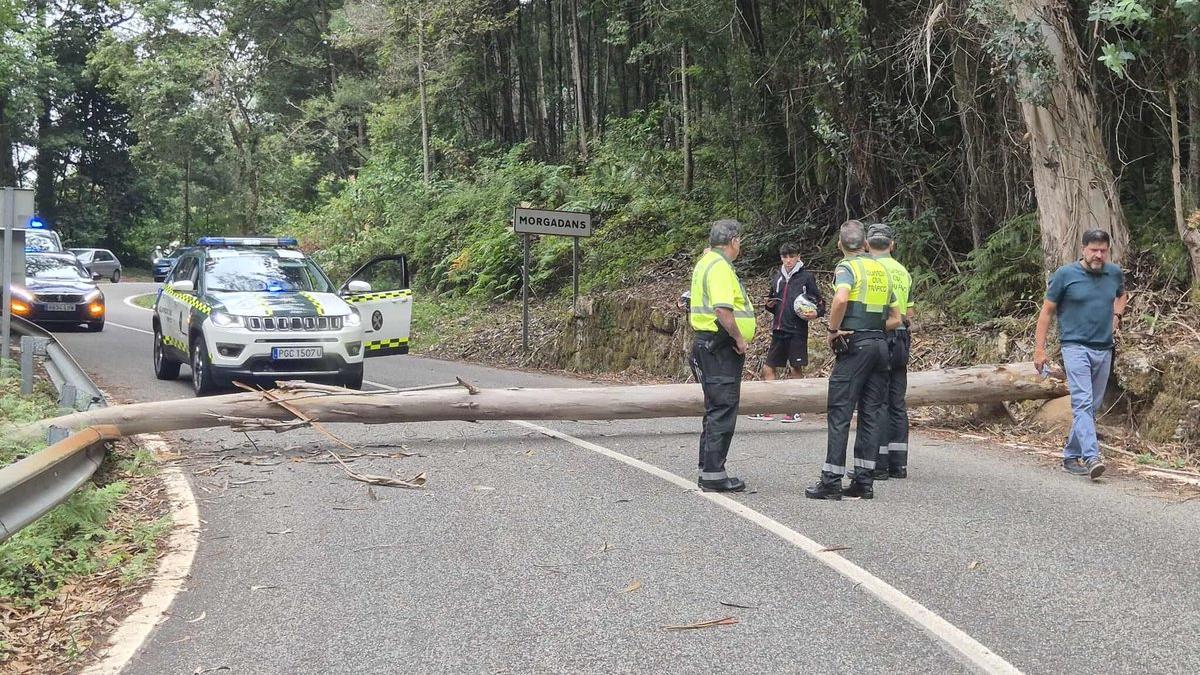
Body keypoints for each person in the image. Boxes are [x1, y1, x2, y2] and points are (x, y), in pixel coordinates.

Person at [805, 220, 902, 501]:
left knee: (840, 412)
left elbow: (840, 300)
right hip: (880, 346)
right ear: (866, 244)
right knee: (871, 413)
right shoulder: (882, 270)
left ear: (840, 245)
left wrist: (834, 330)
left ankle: (831, 481)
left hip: (855, 346)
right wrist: (873, 329)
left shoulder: (846, 268)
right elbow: (896, 319)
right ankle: (864, 481)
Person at [1034, 229, 1128, 480]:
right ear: (1083, 249)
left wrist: (1116, 316)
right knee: (1083, 403)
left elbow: (1122, 296)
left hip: (1104, 348)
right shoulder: (1065, 275)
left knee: (1092, 406)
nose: (1098, 255)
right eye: (1093, 250)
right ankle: (1091, 456)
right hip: (1074, 347)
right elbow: (1046, 313)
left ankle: (1070, 455)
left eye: (1103, 250)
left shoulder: (1113, 273)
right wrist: (1039, 350)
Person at [688, 219, 756, 492]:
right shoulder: (719, 268)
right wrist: (739, 339)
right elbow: (723, 311)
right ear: (734, 241)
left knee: (715, 407)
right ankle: (714, 473)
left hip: (708, 344)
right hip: (720, 346)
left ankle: (708, 466)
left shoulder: (707, 262)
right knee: (723, 408)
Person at [749, 242, 825, 423]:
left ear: (799, 256)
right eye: (785, 257)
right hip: (778, 328)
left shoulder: (806, 277)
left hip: (797, 330)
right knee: (768, 368)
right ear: (781, 258)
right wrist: (769, 306)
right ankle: (768, 408)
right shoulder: (777, 277)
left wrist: (816, 313)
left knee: (795, 368)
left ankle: (794, 410)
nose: (788, 260)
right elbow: (773, 302)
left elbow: (820, 303)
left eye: (792, 256)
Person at [863, 224, 914, 479]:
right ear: (892, 245)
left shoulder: (870, 270)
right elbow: (910, 312)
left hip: (879, 335)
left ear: (866, 245)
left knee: (877, 401)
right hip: (903, 338)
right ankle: (899, 464)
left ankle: (878, 463)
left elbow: (872, 310)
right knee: (897, 401)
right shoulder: (903, 272)